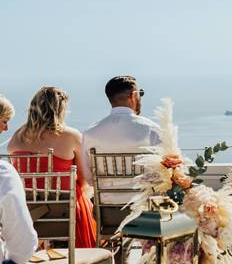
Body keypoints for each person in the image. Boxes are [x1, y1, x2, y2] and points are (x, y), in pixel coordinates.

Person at [0, 94, 60, 264]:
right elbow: (23, 246)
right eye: (3, 122)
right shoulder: (3, 174)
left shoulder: (14, 146)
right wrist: (12, 262)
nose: (5, 129)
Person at [8, 87, 98, 249]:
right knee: (83, 198)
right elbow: (85, 181)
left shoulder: (17, 136)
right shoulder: (71, 136)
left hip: (29, 213)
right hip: (65, 213)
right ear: (60, 110)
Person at [81, 76, 161, 204]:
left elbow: (89, 177)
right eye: (140, 94)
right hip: (145, 204)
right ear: (133, 96)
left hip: (106, 205)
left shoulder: (90, 133)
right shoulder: (151, 129)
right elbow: (162, 172)